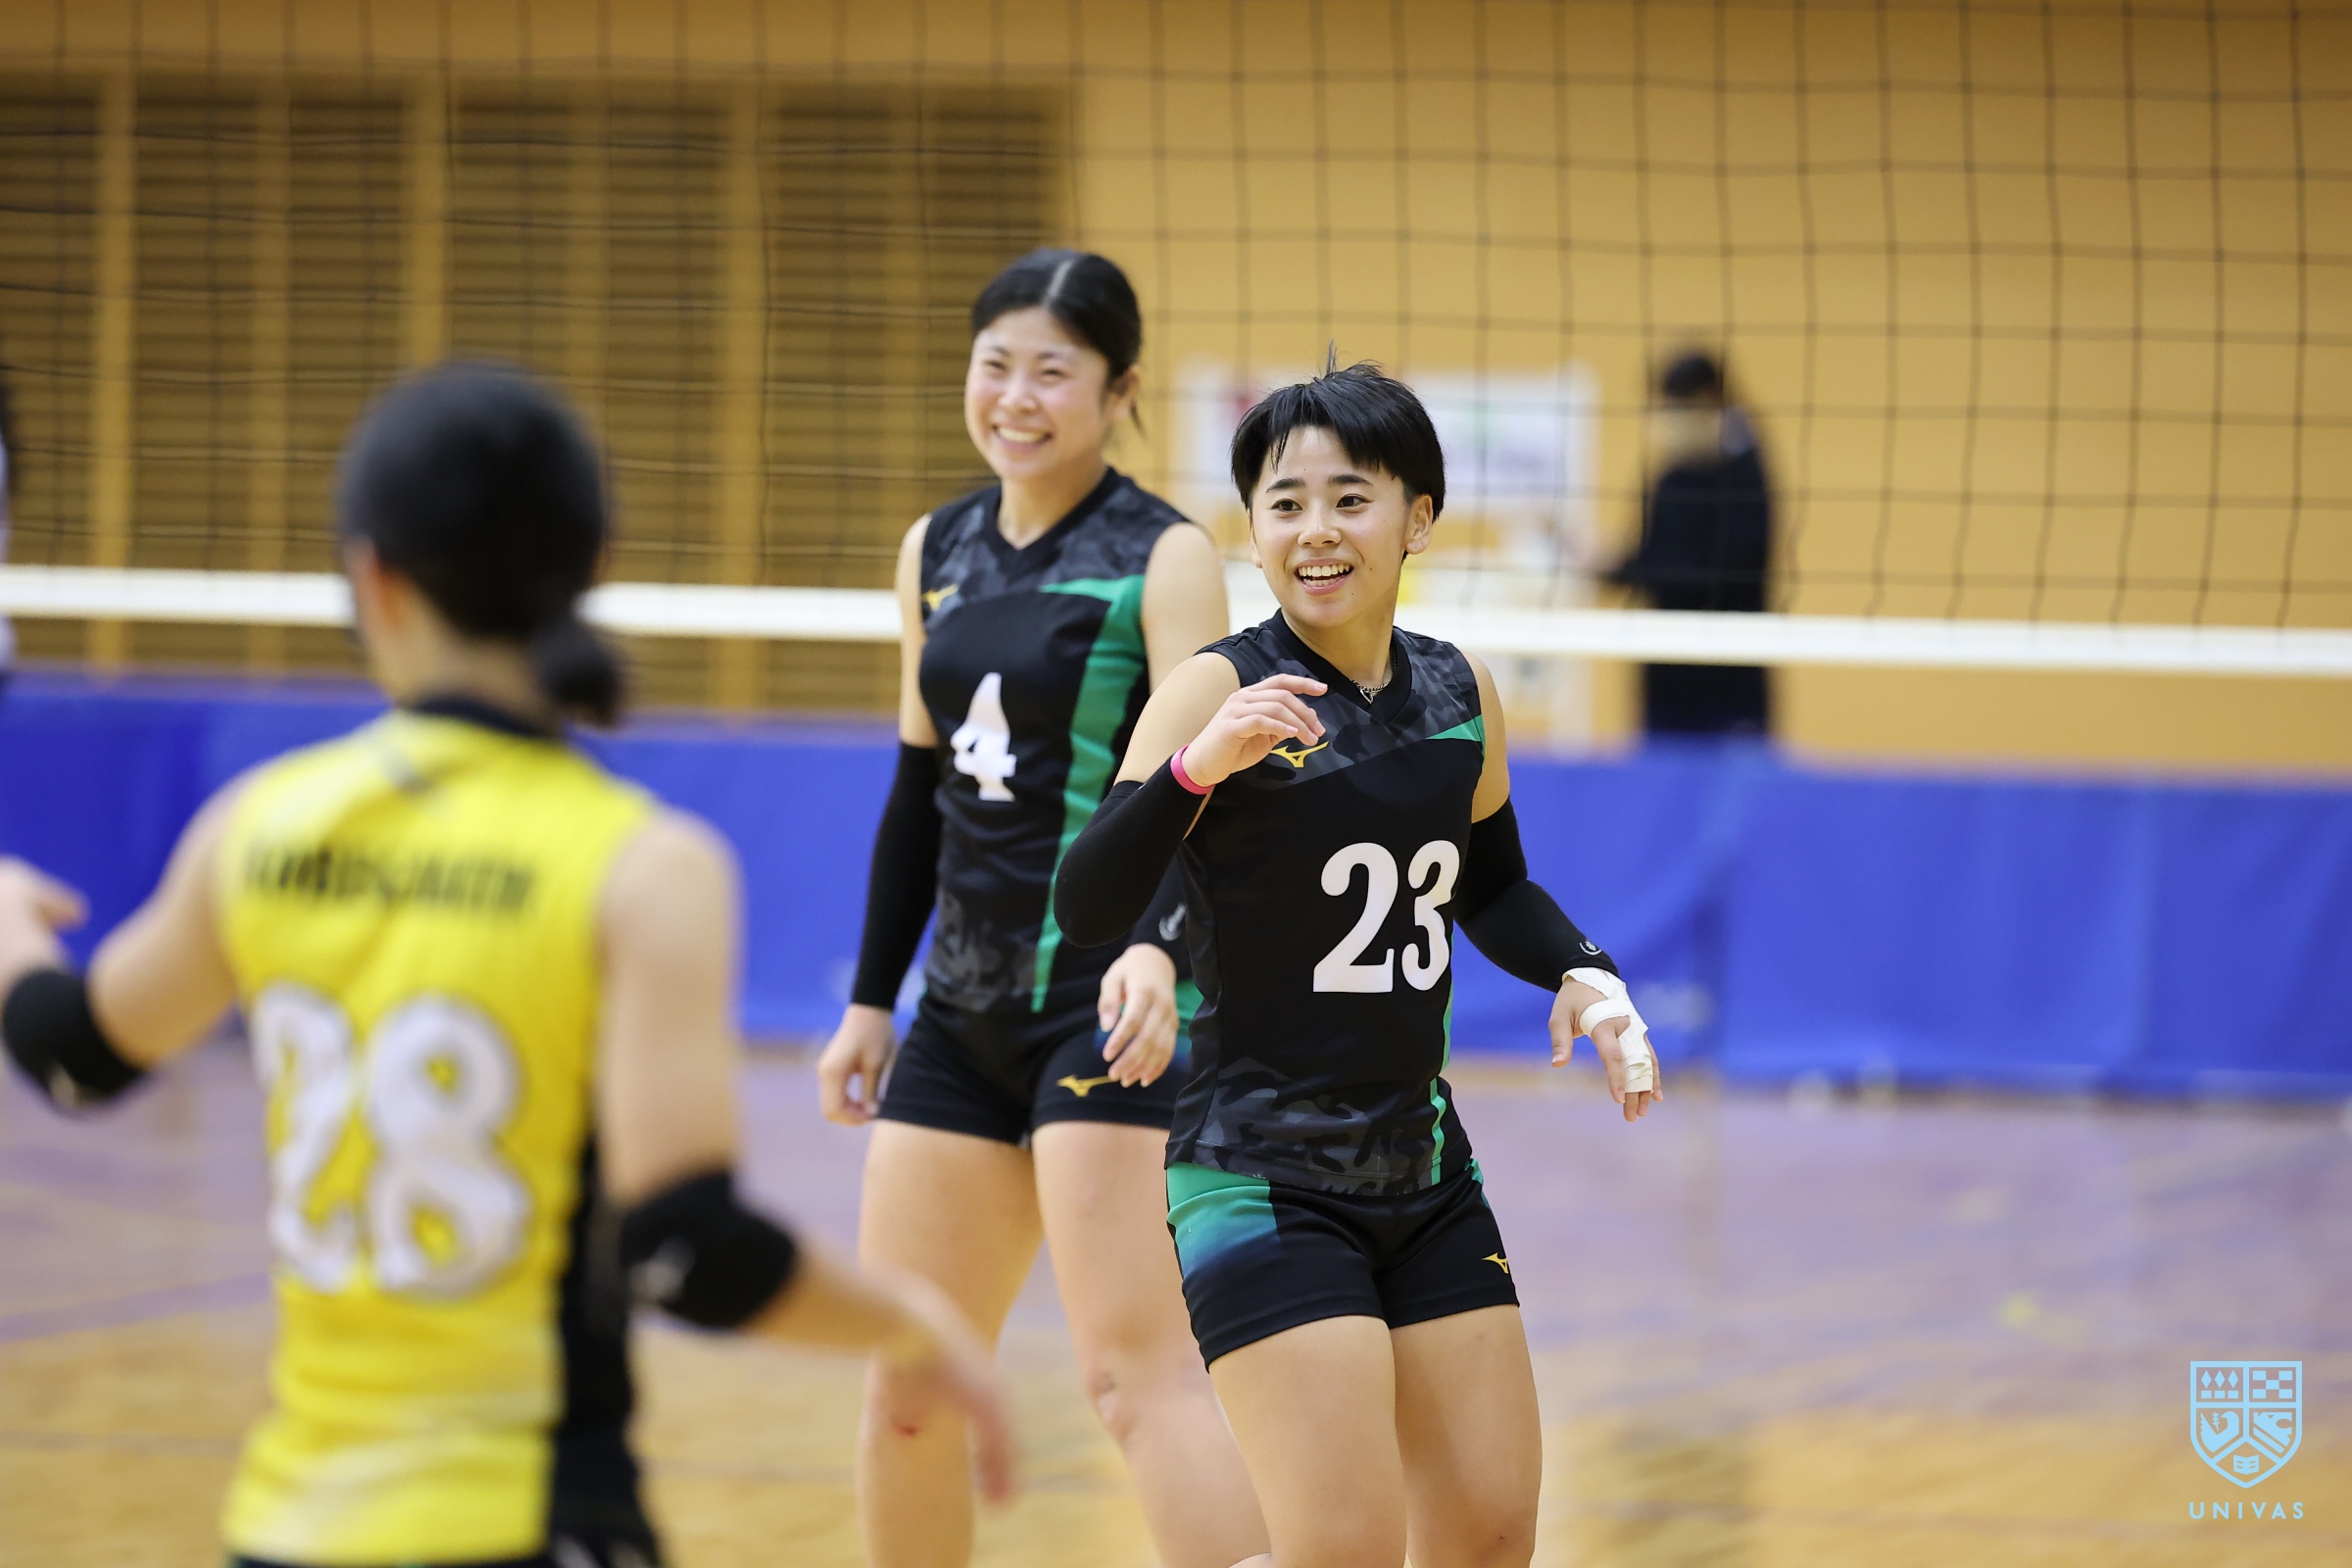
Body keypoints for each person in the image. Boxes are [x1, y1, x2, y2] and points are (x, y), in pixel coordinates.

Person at [0, 363, 1014, 1568]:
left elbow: (71, 1053)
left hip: (289, 1530)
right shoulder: (643, 867)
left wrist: (8, 916)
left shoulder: (256, 829)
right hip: (531, 1518)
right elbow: (685, 1247)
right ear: (593, 570)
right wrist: (915, 1325)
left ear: (370, 578)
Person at [1052, 362, 1661, 1568]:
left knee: (1490, 1538)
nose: (1315, 530)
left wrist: (1587, 974)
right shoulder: (1216, 685)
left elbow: (1493, 886)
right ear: (1253, 528)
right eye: (1284, 504)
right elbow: (1087, 902)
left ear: (1417, 517)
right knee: (1343, 1551)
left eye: (1350, 499)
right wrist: (1195, 770)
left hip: (1425, 1171)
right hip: (1260, 1173)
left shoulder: (1457, 689)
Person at [813, 249, 1266, 1568]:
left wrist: (1161, 954)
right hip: (958, 1016)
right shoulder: (936, 548)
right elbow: (918, 791)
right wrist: (868, 1000)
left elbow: (1206, 788)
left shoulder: (1164, 557)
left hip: (1105, 1001)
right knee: (909, 1381)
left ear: (1119, 390)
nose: (1015, 396)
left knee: (1134, 1379)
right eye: (994, 364)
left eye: (1052, 371)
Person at [1604, 349, 1775, 737]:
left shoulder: (1747, 478)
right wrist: (1611, 565)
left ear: (1707, 401)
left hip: (1731, 682)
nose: (1670, 422)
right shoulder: (1672, 476)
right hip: (1668, 678)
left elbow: (1708, 573)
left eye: (1677, 409)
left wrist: (1624, 568)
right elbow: (1656, 558)